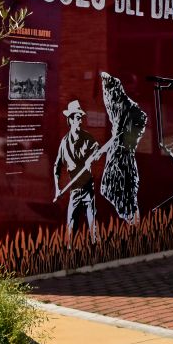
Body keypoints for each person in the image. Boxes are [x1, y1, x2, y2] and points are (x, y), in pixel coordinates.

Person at [53, 100, 100, 244]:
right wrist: (57, 189)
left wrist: (94, 156)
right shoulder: (64, 142)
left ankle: (95, 252)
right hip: (74, 191)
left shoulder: (87, 138)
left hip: (88, 188)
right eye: (78, 118)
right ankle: (70, 254)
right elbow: (56, 166)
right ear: (71, 119)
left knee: (93, 227)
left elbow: (98, 148)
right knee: (71, 226)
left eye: (81, 117)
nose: (80, 121)